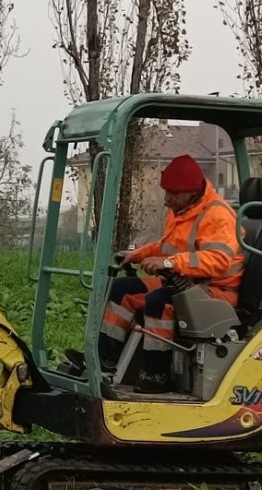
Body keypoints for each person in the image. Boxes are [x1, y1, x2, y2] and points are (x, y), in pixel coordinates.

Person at [69, 155, 244, 392]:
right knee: (123, 290)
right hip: (186, 284)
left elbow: (219, 261)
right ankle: (103, 362)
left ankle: (157, 375)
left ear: (192, 191)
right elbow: (166, 245)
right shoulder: (181, 210)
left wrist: (170, 264)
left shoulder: (218, 216)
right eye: (166, 191)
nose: (166, 199)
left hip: (217, 292)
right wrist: (138, 255)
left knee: (158, 302)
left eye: (173, 193)